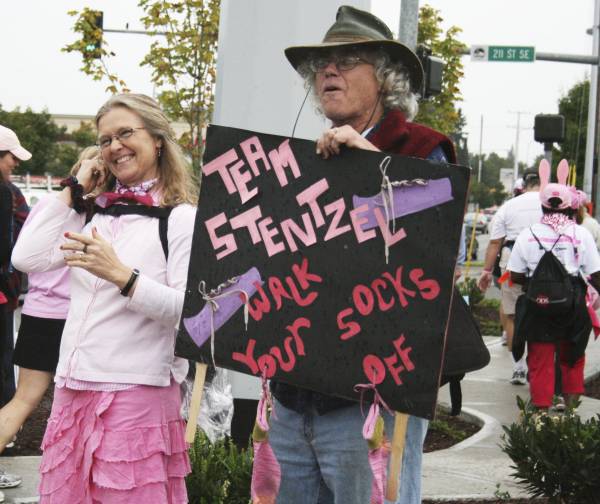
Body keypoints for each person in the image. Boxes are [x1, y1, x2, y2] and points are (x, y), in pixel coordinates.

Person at [269, 6, 457, 504]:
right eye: (322, 65)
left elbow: (436, 254)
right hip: (296, 397)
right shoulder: (306, 161)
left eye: (348, 59)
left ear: (387, 79)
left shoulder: (423, 149)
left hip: (374, 404)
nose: (328, 71)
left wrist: (375, 167)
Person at [12, 94, 197, 502]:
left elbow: (192, 313)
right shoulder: (91, 211)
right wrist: (73, 188)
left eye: (126, 133)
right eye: (106, 140)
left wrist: (123, 277)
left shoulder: (181, 219)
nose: (115, 147)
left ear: (159, 139)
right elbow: (25, 257)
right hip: (73, 385)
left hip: (138, 390)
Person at [0, 147, 100, 456]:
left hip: (39, 315)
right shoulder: (104, 219)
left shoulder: (47, 205)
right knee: (84, 407)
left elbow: (24, 254)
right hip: (82, 319)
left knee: (23, 400)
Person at [507, 161, 600, 411]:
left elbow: (514, 275)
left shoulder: (528, 234)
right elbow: (595, 274)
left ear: (542, 204)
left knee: (540, 359)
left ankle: (540, 415)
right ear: (570, 205)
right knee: (572, 357)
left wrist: (537, 283)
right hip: (573, 306)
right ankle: (569, 413)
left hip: (538, 307)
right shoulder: (581, 234)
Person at [477, 169, 542, 385]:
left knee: (513, 316)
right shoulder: (551, 203)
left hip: (512, 264)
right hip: (545, 267)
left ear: (524, 186)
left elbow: (495, 242)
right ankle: (538, 365)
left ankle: (519, 366)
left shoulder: (509, 206)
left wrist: (486, 271)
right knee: (543, 315)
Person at [0, 125, 30, 498]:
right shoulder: (6, 194)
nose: (13, 163)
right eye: (10, 156)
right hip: (1, 300)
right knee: (2, 377)